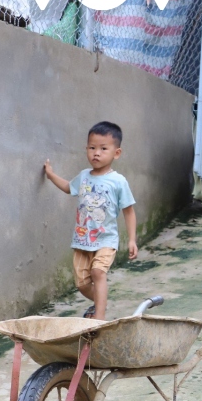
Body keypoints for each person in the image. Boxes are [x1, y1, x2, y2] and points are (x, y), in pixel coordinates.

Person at [42, 121, 137, 320]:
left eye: (103, 148)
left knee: (98, 272)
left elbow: (128, 211)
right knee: (82, 284)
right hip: (82, 240)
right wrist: (50, 175)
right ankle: (100, 302)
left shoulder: (118, 181)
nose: (96, 153)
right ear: (86, 149)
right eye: (92, 148)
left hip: (105, 240)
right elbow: (69, 188)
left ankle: (99, 319)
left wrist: (131, 240)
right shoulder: (84, 176)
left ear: (116, 153)